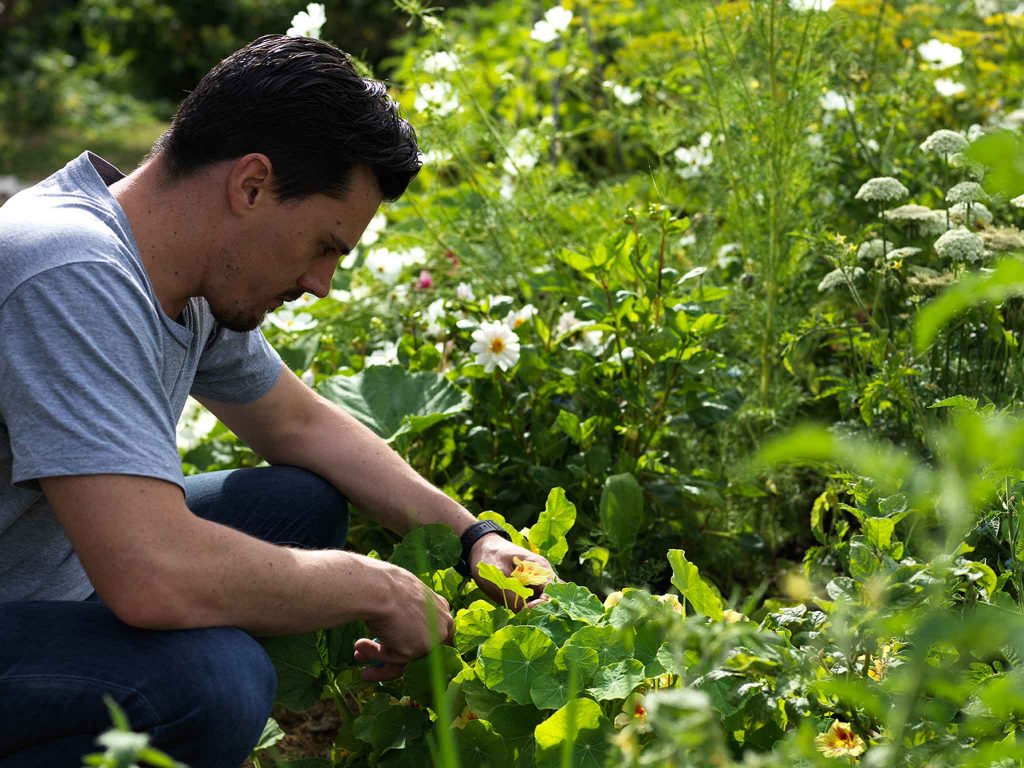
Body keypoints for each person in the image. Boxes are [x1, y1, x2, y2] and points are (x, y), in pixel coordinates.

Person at [0, 34, 553, 768]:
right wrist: (376, 587)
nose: (322, 283)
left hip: (52, 575)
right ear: (252, 185)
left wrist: (473, 535)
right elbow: (149, 574)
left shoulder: (177, 271)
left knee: (301, 502)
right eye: (325, 245)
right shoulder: (69, 270)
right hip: (46, 592)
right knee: (215, 682)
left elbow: (298, 424)